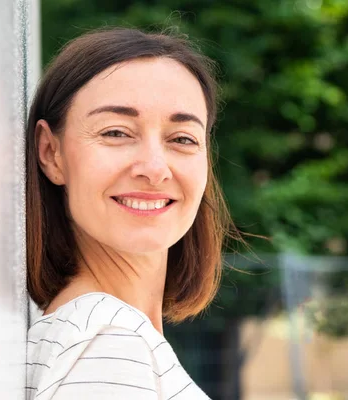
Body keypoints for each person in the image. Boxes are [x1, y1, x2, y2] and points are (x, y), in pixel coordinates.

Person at [25, 27, 236, 399]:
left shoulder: (102, 334)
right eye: (117, 132)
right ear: (50, 153)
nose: (155, 168)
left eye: (182, 138)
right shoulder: (110, 345)